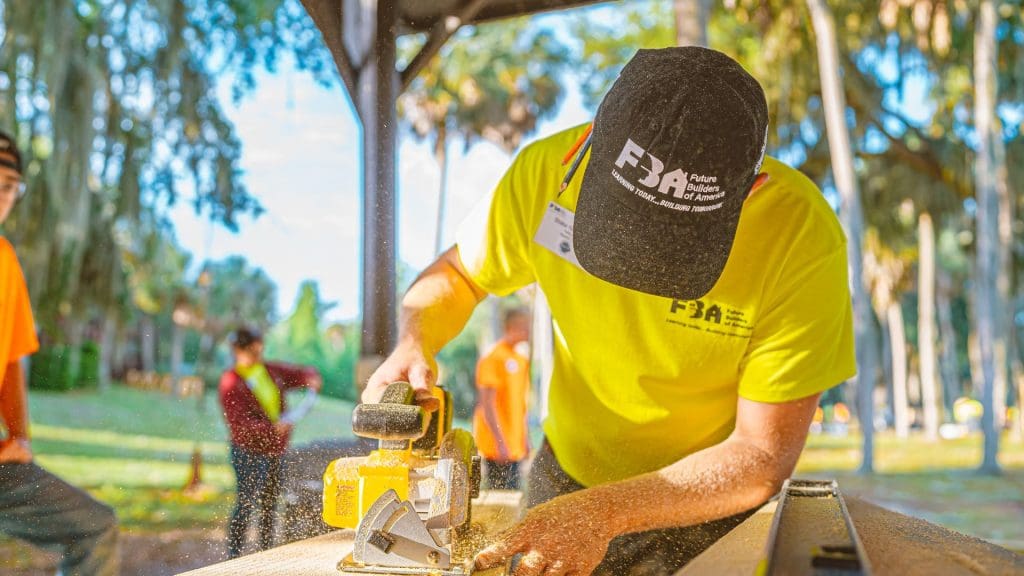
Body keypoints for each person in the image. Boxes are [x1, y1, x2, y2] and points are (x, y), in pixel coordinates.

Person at [364, 47, 855, 575]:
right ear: (590, 143)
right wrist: (414, 342)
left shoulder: (801, 238)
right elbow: (459, 275)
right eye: (623, 225)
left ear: (752, 188)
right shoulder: (544, 175)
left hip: (711, 498)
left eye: (669, 244)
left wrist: (607, 510)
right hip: (571, 467)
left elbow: (760, 456)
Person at [0, 131, 120, 575]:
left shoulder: (5, 259)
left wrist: (20, 439)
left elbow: (11, 358)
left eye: (9, 186)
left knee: (96, 527)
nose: (1, 195)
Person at [219, 327, 321, 558]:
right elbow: (239, 425)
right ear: (238, 350)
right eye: (252, 350)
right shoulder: (231, 382)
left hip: (275, 451)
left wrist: (310, 377)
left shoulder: (269, 370)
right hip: (247, 452)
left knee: (270, 504)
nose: (257, 354)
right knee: (245, 503)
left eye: (259, 349)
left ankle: (265, 553)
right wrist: (270, 428)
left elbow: (300, 373)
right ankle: (233, 556)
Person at [473, 307, 531, 490]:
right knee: (499, 500)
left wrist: (525, 438)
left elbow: (520, 404)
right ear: (512, 327)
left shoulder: (520, 359)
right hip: (497, 446)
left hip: (514, 446)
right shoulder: (493, 358)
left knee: (514, 499)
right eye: (525, 326)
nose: (528, 331)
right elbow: (487, 405)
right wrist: (500, 441)